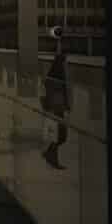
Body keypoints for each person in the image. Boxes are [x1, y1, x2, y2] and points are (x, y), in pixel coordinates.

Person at [41, 27, 71, 170]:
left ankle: (49, 154)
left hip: (58, 104)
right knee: (61, 135)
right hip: (57, 105)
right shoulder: (58, 67)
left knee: (61, 135)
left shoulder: (57, 68)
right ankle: (50, 156)